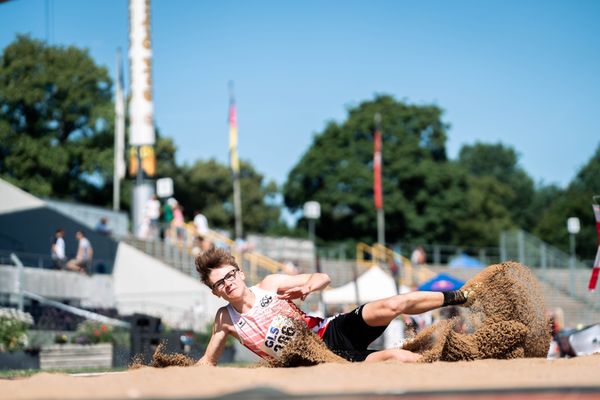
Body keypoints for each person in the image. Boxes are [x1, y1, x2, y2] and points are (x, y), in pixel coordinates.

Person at [195, 248, 473, 365]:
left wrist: (308, 286)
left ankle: (462, 297)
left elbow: (323, 277)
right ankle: (458, 360)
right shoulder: (226, 319)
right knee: (396, 358)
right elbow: (208, 362)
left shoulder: (270, 284)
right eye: (219, 283)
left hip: (331, 330)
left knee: (394, 303)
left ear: (240, 273)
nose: (228, 283)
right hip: (322, 360)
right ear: (216, 292)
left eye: (230, 275)